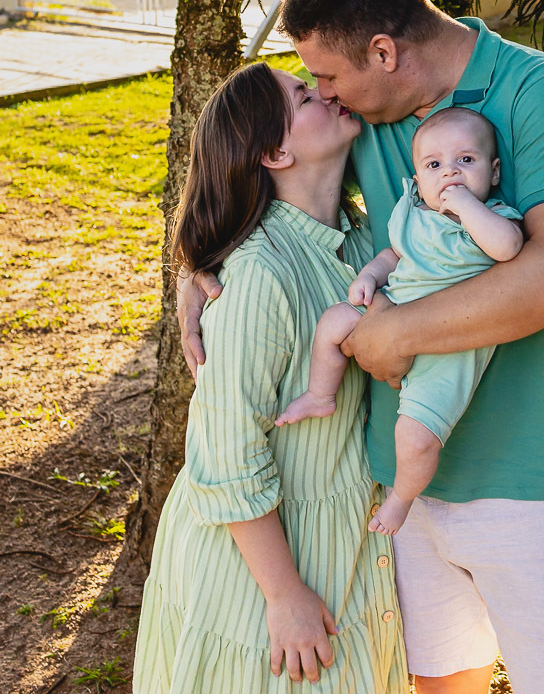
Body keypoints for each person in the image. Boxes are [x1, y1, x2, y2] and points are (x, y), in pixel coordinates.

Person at [180, 0, 544, 694]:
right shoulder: (369, 120)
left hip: (535, 478)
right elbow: (258, 172)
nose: (324, 94)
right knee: (439, 687)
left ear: (384, 52)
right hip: (398, 491)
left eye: (326, 76)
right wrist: (193, 259)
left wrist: (395, 334)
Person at [133, 62, 406, 693]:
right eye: (306, 96)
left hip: (342, 538)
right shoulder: (258, 276)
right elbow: (226, 452)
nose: (328, 93)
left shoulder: (362, 242)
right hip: (261, 567)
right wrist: (283, 594)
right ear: (275, 151)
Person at [275, 107, 524, 536]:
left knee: (415, 436)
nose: (450, 174)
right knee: (334, 321)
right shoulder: (412, 214)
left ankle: (402, 499)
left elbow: (507, 249)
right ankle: (320, 393)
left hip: (453, 347)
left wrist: (466, 206)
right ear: (418, 179)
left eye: (466, 161)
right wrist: (370, 277)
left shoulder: (492, 218)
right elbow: (394, 256)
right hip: (392, 308)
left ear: (494, 171)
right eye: (434, 165)